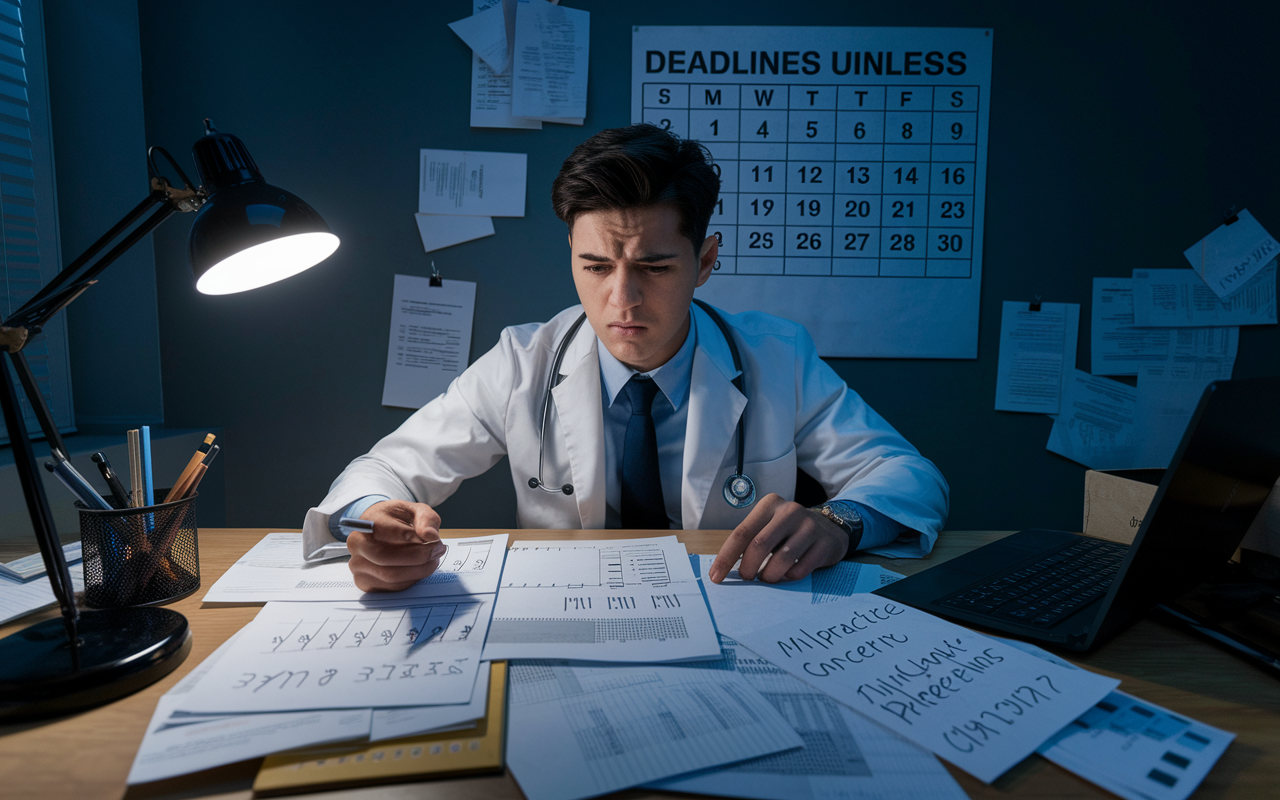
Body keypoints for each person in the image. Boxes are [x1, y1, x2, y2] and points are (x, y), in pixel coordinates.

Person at [302, 124, 948, 592]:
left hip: (736, 609)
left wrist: (839, 521)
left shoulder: (776, 357)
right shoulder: (522, 362)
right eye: (595, 265)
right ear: (571, 257)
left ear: (707, 261)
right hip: (565, 612)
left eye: (655, 267)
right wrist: (372, 521)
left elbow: (907, 474)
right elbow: (385, 468)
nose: (622, 299)